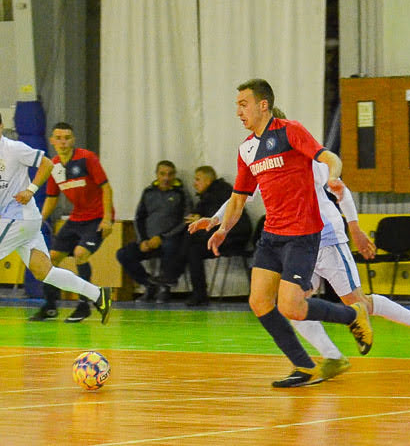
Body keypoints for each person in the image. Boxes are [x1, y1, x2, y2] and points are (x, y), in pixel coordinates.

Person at [207, 79, 373, 388]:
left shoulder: (289, 130)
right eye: (237, 106)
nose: (238, 112)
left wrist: (334, 175)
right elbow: (240, 197)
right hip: (272, 235)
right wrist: (223, 229)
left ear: (263, 105)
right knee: (259, 302)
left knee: (291, 307)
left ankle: (353, 316)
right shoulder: (246, 149)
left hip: (303, 234)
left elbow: (328, 157)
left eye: (243, 104)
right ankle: (304, 366)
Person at [0, 109, 111, 333]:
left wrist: (31, 190)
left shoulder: (14, 148)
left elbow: (48, 164)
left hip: (19, 216)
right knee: (45, 272)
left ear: (0, 127)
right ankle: (98, 294)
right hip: (22, 219)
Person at [28, 122, 114, 323]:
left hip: (97, 218)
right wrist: (38, 219)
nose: (63, 142)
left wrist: (108, 218)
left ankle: (84, 306)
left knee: (80, 254)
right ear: (52, 141)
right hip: (77, 218)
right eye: (58, 138)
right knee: (51, 259)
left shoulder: (87, 158)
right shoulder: (54, 165)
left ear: (73, 140)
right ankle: (50, 306)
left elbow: (106, 188)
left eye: (67, 137)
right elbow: (51, 197)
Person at [153, 165, 252, 306]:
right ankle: (199, 294)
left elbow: (222, 214)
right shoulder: (206, 196)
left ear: (208, 180)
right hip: (220, 235)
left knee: (191, 238)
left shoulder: (223, 191)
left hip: (235, 236)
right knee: (193, 249)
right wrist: (197, 218)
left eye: (198, 179)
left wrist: (201, 218)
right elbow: (200, 213)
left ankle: (173, 274)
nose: (195, 183)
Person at [116, 160, 192, 303]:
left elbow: (186, 220)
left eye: (170, 174)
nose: (166, 178)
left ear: (174, 175)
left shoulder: (181, 193)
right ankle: (149, 284)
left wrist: (162, 237)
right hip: (148, 241)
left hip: (170, 239)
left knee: (170, 247)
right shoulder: (148, 192)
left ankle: (164, 288)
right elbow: (139, 218)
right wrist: (143, 240)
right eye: (162, 174)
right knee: (123, 254)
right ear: (156, 175)